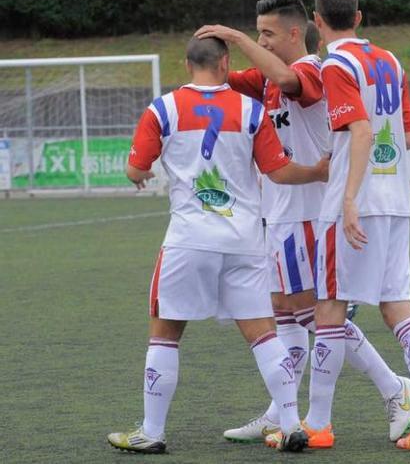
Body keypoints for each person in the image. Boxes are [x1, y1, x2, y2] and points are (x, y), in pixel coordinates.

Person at [194, 0, 410, 447]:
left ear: (297, 32)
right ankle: (282, 410)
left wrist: (235, 37)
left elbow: (286, 77)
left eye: (267, 33)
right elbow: (224, 80)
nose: (261, 41)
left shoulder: (315, 70)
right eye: (256, 33)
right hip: (279, 214)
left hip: (310, 212)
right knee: (285, 314)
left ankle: (394, 387)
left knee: (314, 315)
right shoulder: (264, 80)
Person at [107, 36, 328, 454]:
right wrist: (317, 172)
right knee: (264, 335)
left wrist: (138, 175)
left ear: (187, 64)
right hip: (245, 241)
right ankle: (290, 422)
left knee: (165, 335)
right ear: (226, 63)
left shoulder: (164, 109)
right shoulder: (252, 110)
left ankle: (151, 432)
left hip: (189, 241)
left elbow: (136, 167)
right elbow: (278, 172)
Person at [302, 0, 410, 451]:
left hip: (358, 202)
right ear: (360, 18)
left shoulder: (335, 64)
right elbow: (405, 138)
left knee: (328, 307)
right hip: (396, 200)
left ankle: (318, 425)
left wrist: (348, 198)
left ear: (317, 21)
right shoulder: (391, 61)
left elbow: (362, 129)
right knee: (396, 305)